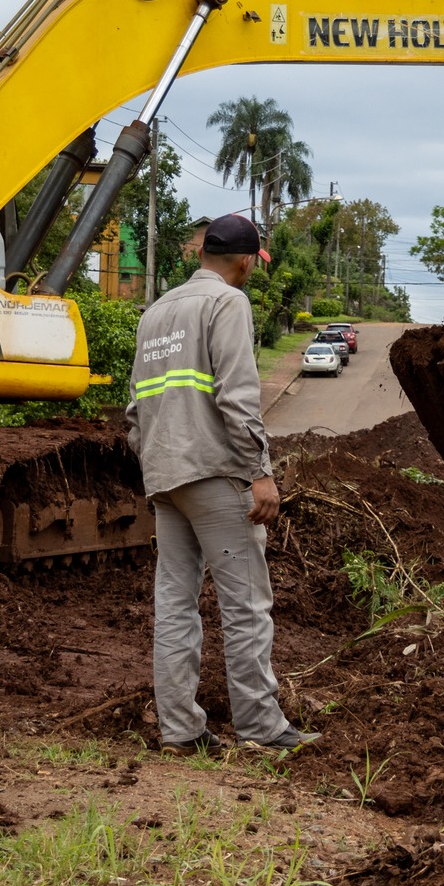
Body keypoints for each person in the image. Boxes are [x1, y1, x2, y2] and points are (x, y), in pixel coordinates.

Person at [124, 213, 320, 757]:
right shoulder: (227, 303)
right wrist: (259, 471)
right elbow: (237, 394)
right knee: (246, 605)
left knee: (176, 604)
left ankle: (180, 731)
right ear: (244, 260)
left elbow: (134, 411)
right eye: (255, 262)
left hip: (166, 478)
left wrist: (159, 463)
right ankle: (260, 725)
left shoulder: (155, 311)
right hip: (216, 473)